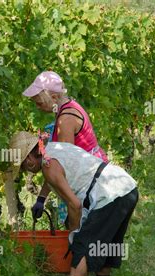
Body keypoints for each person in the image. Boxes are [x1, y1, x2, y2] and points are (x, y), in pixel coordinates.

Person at [8, 131, 138, 276]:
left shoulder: (48, 167)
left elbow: (74, 205)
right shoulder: (53, 149)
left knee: (82, 245)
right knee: (107, 242)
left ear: (29, 160)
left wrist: (74, 234)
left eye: (23, 166)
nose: (25, 170)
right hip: (126, 188)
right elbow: (56, 176)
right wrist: (41, 199)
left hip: (109, 194)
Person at [22, 71, 108, 224]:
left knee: (83, 236)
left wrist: (73, 214)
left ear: (54, 97)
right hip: (91, 178)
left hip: (91, 184)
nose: (38, 107)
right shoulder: (66, 110)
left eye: (39, 103)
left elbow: (63, 169)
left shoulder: (66, 120)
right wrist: (42, 198)